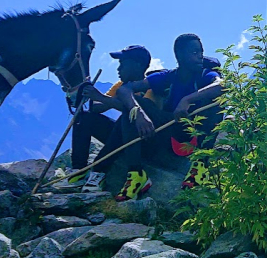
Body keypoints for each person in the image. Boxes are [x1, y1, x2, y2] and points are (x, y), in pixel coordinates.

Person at [114, 33, 223, 195]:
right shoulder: (168, 77)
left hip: (197, 134)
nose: (200, 56)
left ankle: (201, 164)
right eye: (194, 52)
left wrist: (186, 100)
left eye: (201, 52)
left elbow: (221, 85)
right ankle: (136, 174)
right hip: (170, 134)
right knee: (134, 106)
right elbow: (124, 89)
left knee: (216, 100)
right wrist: (139, 114)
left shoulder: (205, 75)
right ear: (179, 55)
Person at [54, 44, 154, 194]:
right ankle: (78, 170)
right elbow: (98, 108)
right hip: (120, 136)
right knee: (85, 118)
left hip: (140, 139)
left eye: (123, 64)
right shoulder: (120, 85)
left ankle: (99, 172)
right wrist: (88, 95)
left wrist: (101, 97)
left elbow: (137, 111)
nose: (118, 69)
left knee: (126, 119)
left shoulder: (150, 88)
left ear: (138, 66)